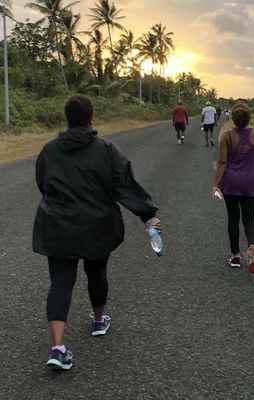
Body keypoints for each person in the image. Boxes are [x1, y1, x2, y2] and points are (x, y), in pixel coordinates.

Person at [33, 94, 162, 371]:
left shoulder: (49, 149)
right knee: (97, 272)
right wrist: (147, 215)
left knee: (60, 282)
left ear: (67, 118)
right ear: (91, 117)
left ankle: (58, 347)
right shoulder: (106, 149)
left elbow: (43, 183)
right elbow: (124, 185)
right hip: (97, 225)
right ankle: (98, 321)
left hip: (57, 225)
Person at [212, 103, 254, 272]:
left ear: (233, 119)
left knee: (233, 218)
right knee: (250, 219)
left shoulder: (227, 136)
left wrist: (216, 184)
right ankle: (252, 246)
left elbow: (222, 162)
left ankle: (235, 256)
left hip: (231, 182)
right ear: (249, 118)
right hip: (251, 180)